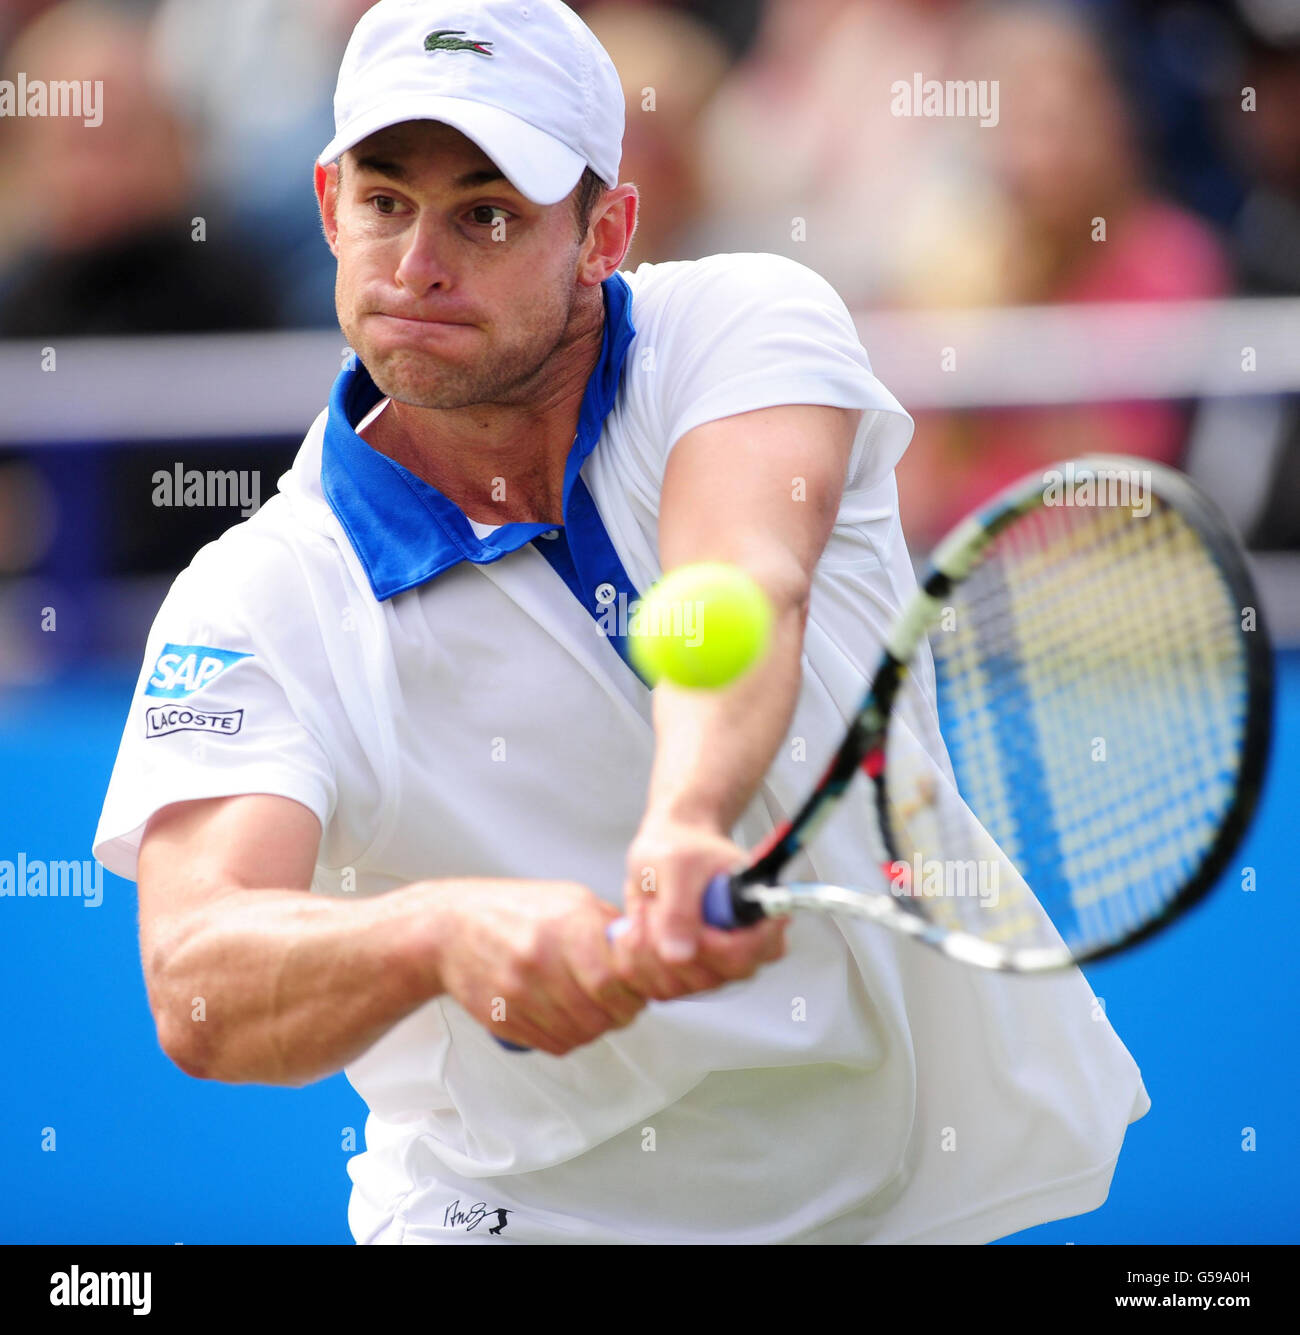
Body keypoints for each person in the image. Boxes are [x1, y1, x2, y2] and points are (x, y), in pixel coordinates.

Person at [94, 0, 1148, 1245]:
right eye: (385, 202)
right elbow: (196, 981)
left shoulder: (744, 326)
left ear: (607, 232)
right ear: (327, 207)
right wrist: (433, 935)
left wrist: (683, 820)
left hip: (891, 1195)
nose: (419, 263)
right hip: (502, 1218)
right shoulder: (255, 596)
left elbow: (741, 579)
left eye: (486, 214)